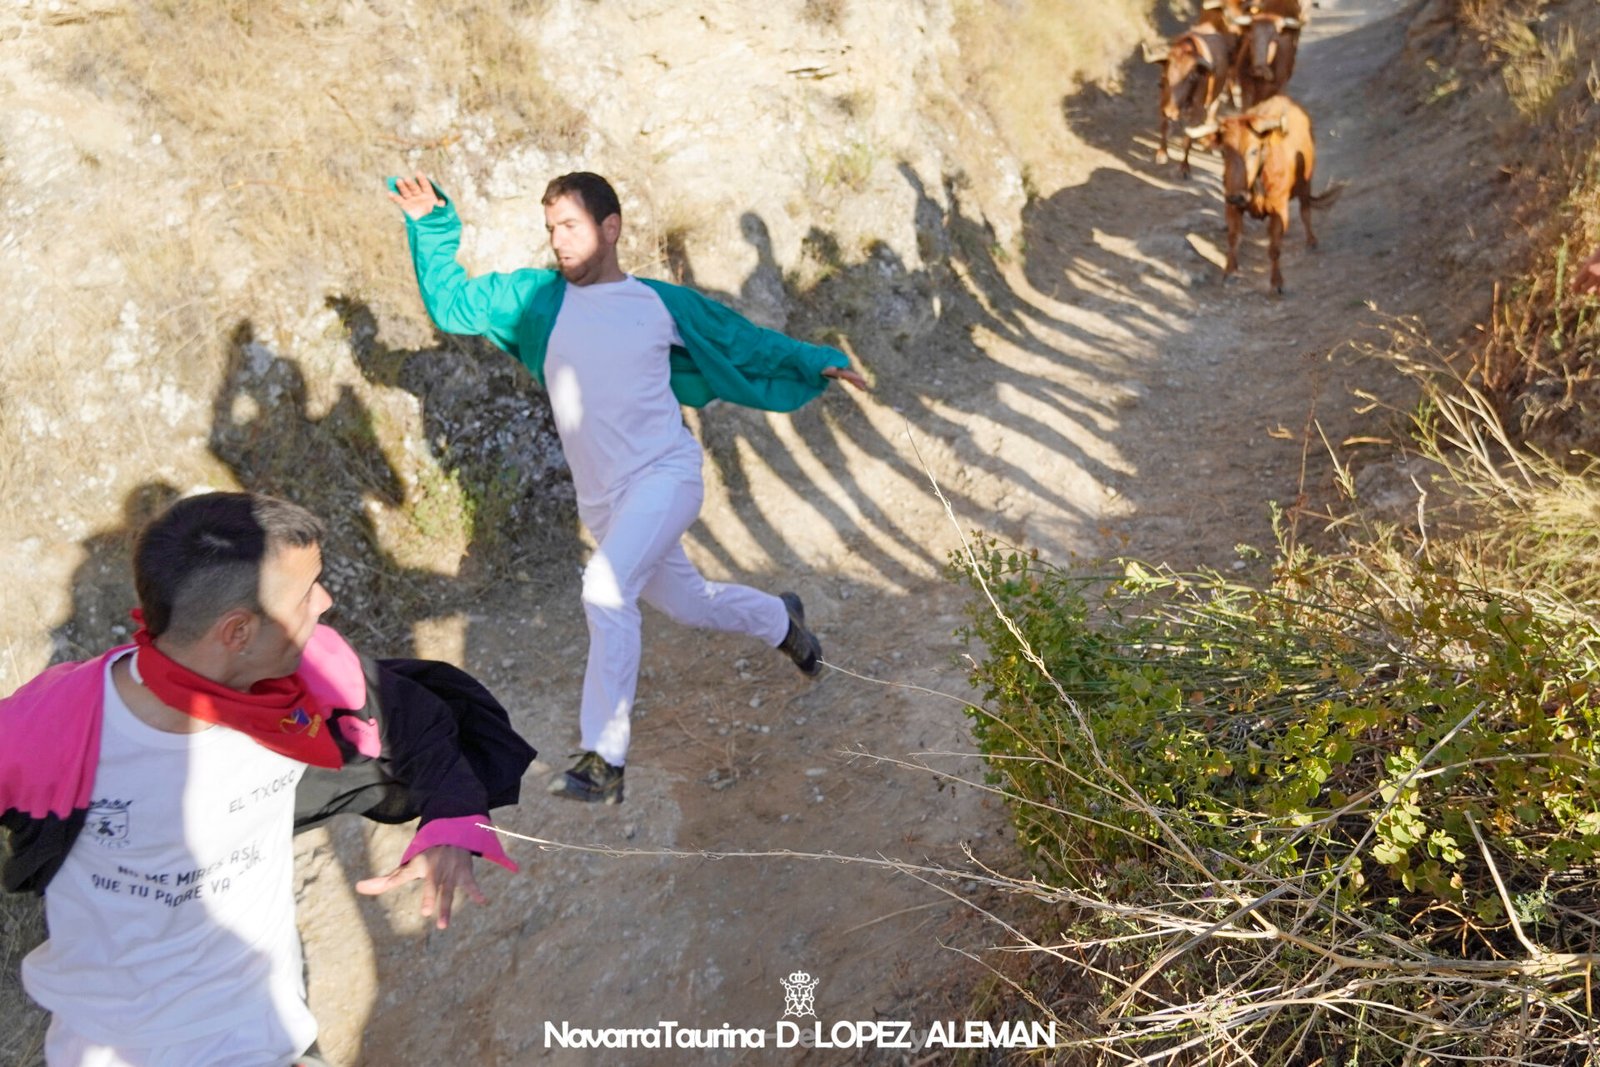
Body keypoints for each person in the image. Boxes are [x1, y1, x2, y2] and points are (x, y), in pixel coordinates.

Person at [0, 492, 535, 1067]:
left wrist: (452, 818)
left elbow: (419, 725)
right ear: (237, 632)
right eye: (307, 594)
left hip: (273, 1035)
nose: (325, 603)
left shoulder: (309, 683)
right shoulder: (48, 733)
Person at [387, 170, 868, 805]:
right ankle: (784, 622)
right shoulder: (535, 300)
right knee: (689, 604)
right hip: (606, 501)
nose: (558, 241)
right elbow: (451, 306)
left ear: (609, 228)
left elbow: (741, 341)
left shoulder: (658, 304)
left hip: (666, 475)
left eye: (571, 226)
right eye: (551, 228)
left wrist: (813, 359)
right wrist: (430, 226)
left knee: (606, 589)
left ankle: (605, 757)